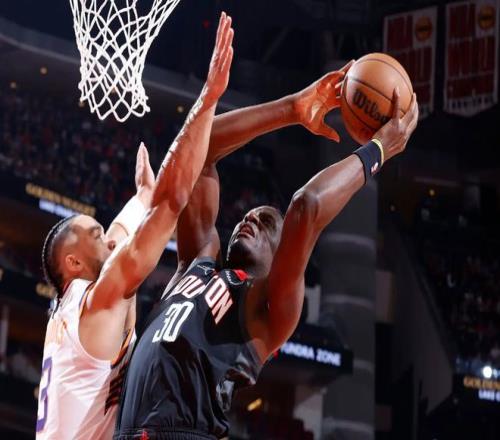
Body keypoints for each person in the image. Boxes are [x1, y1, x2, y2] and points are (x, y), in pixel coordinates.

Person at [114, 67, 419, 438]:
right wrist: (291, 109)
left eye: (266, 222)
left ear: (282, 255)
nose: (250, 219)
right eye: (249, 216)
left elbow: (307, 205)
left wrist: (378, 150)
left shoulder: (270, 309)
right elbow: (202, 150)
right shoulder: (197, 261)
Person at [35, 12, 235, 439]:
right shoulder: (100, 298)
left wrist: (142, 197)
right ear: (73, 263)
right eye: (96, 235)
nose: (108, 238)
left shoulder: (73, 306)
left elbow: (122, 232)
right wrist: (209, 97)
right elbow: (172, 202)